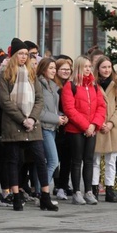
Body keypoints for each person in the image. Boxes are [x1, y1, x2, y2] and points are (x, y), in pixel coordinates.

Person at [0, 39, 58, 212]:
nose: (23, 57)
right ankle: (16, 196)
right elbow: (5, 101)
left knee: (40, 159)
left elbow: (39, 99)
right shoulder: (5, 75)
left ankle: (45, 196)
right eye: (21, 54)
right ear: (14, 55)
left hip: (33, 124)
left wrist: (31, 118)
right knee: (14, 160)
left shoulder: (32, 74)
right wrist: (22, 119)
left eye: (26, 54)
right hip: (13, 123)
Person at [60, 56, 107, 206]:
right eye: (85, 66)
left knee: (89, 160)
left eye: (89, 66)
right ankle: (76, 192)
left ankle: (88, 191)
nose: (88, 69)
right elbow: (69, 109)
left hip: (91, 129)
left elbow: (101, 107)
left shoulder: (94, 86)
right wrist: (85, 126)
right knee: (76, 161)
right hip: (75, 130)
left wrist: (94, 124)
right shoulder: (70, 86)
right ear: (79, 67)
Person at [93, 55, 117, 203]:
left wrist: (112, 123)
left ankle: (109, 189)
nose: (106, 70)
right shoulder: (93, 83)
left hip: (112, 127)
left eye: (109, 67)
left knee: (111, 160)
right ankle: (93, 188)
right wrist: (97, 123)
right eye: (103, 67)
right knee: (95, 160)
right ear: (98, 69)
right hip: (97, 125)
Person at [36, 57, 68, 198]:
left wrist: (61, 116)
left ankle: (40, 192)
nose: (54, 71)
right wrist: (57, 118)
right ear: (43, 69)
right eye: (51, 68)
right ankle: (43, 193)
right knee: (53, 161)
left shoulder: (52, 85)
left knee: (47, 162)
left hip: (52, 127)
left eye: (55, 68)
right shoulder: (39, 85)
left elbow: (53, 108)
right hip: (44, 127)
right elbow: (39, 111)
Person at [53, 56, 74, 201]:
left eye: (68, 69)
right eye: (63, 69)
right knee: (55, 159)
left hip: (68, 125)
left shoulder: (72, 85)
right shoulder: (54, 86)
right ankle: (56, 183)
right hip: (55, 125)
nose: (66, 72)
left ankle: (63, 185)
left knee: (67, 158)